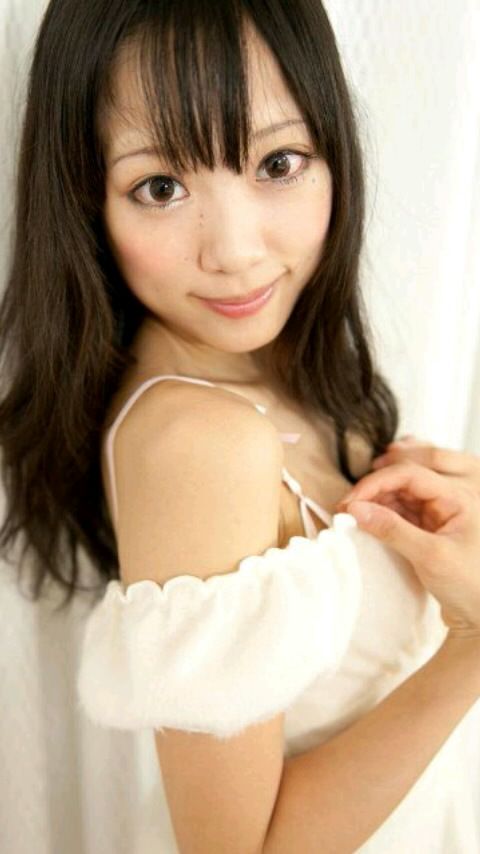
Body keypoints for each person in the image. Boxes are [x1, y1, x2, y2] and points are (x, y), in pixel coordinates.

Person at [0, 1, 479, 852]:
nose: (235, 250)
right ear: (84, 199)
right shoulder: (200, 443)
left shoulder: (277, 362)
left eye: (277, 163)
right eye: (161, 187)